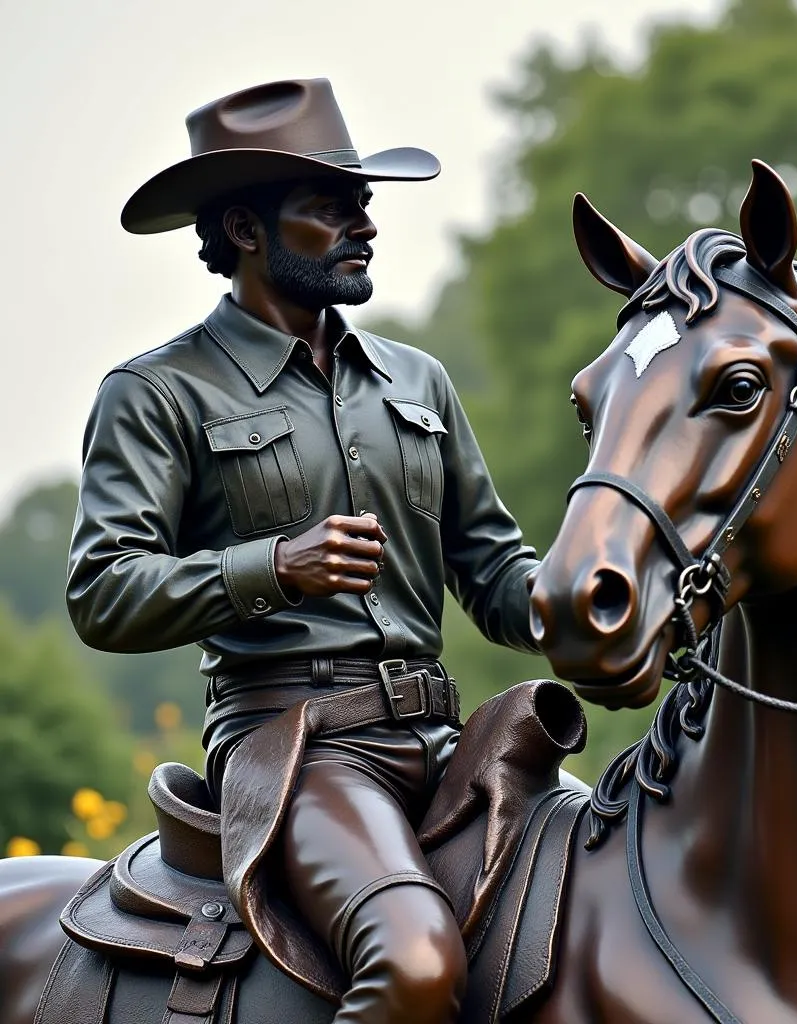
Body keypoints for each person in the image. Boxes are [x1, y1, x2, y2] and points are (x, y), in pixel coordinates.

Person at [66, 78, 540, 1024]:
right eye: (331, 207)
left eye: (363, 204)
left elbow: (493, 571)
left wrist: (594, 600)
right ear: (244, 228)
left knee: (598, 898)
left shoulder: (418, 379)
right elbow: (103, 592)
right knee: (412, 964)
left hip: (448, 739)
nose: (364, 225)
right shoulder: (159, 393)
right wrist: (275, 568)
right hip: (294, 749)